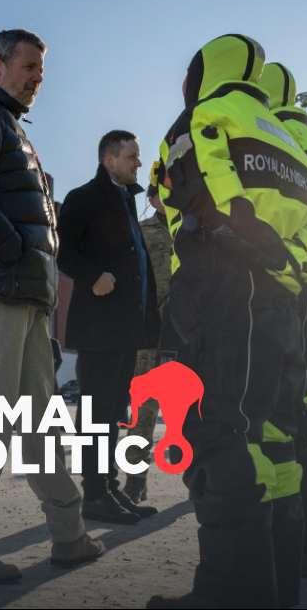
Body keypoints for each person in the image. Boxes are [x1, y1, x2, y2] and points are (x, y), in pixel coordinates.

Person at [149, 35, 307, 608]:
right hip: (281, 302)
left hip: (219, 292)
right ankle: (275, 588)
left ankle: (227, 594)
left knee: (215, 433)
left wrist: (238, 233)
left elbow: (171, 185)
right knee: (274, 442)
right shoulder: (288, 142)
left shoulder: (206, 114)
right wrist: (285, 261)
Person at [0, 28, 102, 583]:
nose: (37, 79)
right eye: (29, 67)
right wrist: (12, 249)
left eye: (42, 72)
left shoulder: (12, 129)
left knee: (40, 424)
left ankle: (69, 535)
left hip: (27, 295)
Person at [57, 129, 161, 524]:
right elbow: (63, 250)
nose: (138, 161)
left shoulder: (126, 203)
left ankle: (109, 488)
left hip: (126, 329)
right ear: (109, 159)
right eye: (132, 156)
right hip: (99, 327)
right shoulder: (86, 198)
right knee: (95, 412)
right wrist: (93, 275)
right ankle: (95, 495)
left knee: (114, 410)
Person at [123, 166, 174, 505]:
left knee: (206, 408)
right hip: (152, 333)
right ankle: (134, 479)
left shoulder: (199, 227)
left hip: (195, 332)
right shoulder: (141, 232)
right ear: (154, 197)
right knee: (142, 411)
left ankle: (206, 478)